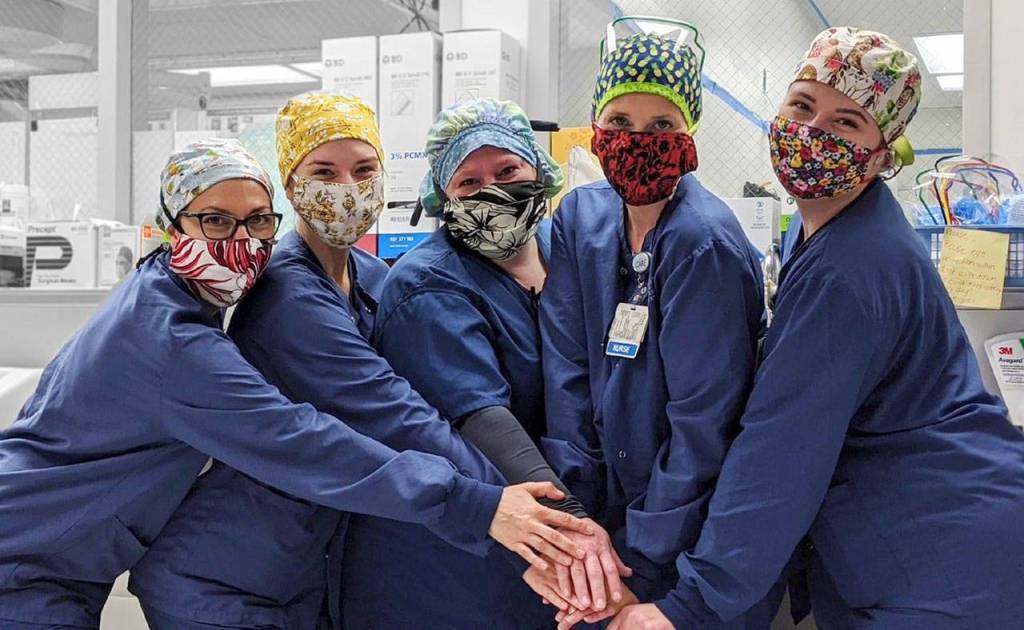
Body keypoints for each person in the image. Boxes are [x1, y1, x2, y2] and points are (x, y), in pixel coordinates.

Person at [0, 138, 576, 630]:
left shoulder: (180, 290)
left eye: (257, 221)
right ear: (173, 226)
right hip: (29, 560)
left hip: (72, 559)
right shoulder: (176, 342)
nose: (241, 240)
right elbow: (303, 438)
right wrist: (481, 505)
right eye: (215, 220)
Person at [587, 27, 1024, 629]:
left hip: (942, 554)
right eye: (802, 105)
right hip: (921, 531)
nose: (813, 132)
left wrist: (690, 604)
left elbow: (781, 452)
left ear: (882, 153)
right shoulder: (820, 224)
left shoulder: (848, 269)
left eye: (847, 121)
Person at [339, 97, 629, 629]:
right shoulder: (428, 283)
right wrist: (572, 533)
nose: (492, 191)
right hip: (461, 572)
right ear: (441, 197)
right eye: (468, 182)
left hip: (546, 547)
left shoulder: (564, 251)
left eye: (507, 171)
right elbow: (483, 422)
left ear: (538, 170)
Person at [541, 21, 784, 629]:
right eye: (620, 121)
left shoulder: (704, 244)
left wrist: (640, 560)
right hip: (600, 523)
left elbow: (703, 424)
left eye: (661, 126)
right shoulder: (580, 218)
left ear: (689, 132)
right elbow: (566, 371)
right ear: (595, 124)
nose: (637, 140)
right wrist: (578, 520)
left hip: (684, 535)